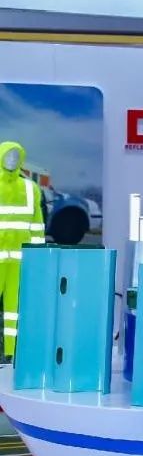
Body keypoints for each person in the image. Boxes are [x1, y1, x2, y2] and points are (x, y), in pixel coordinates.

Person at [0, 141, 45, 360]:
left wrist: (38, 258)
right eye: (8, 155)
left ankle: (11, 352)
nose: (12, 160)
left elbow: (37, 225)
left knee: (14, 309)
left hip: (20, 260)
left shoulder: (31, 188)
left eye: (16, 156)